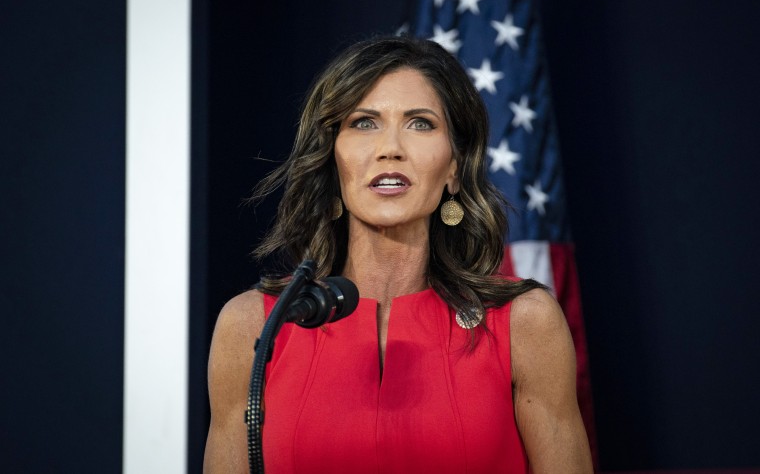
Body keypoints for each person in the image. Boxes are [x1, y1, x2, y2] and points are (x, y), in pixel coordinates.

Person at [203, 35, 592, 473]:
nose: (390, 147)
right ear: (332, 161)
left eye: (420, 123)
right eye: (364, 122)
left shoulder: (525, 324)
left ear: (454, 169)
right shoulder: (253, 326)